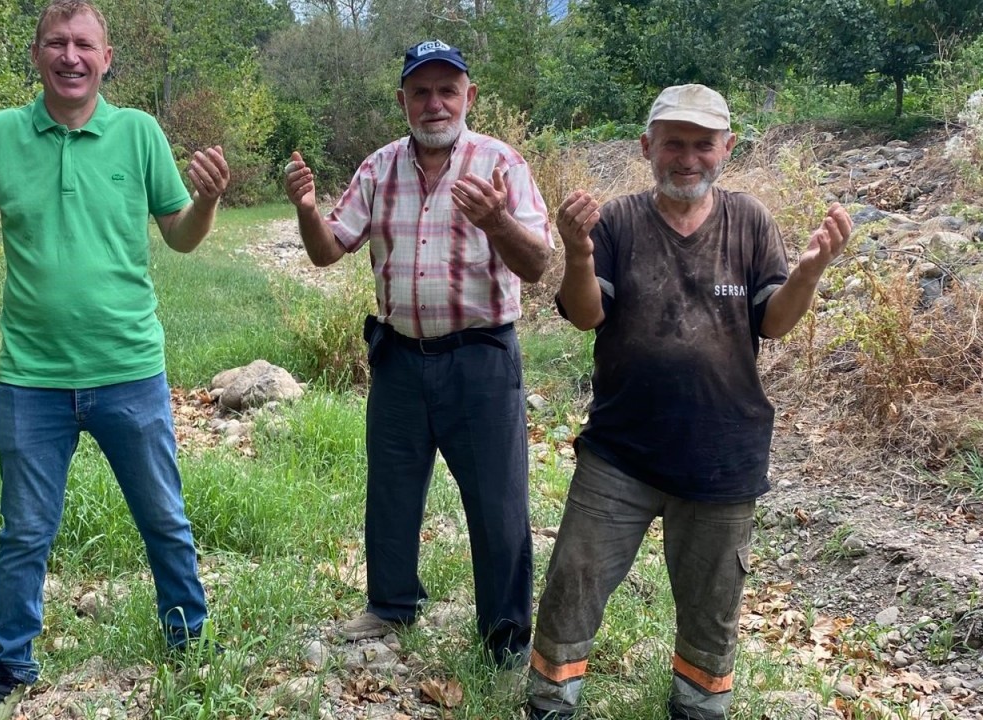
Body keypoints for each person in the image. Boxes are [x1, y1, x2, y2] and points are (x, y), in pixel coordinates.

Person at [0, 2, 230, 718]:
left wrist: (209, 200)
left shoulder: (139, 134)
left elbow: (182, 236)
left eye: (85, 45)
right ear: (35, 54)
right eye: (57, 43)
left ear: (107, 57)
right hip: (31, 379)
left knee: (163, 516)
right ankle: (10, 668)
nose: (71, 56)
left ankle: (190, 642)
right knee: (26, 531)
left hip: (130, 368)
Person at [526, 84, 853, 720]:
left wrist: (810, 270)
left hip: (723, 457)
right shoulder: (617, 221)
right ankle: (549, 705)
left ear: (726, 148)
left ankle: (697, 710)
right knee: (573, 584)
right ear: (647, 146)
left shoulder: (750, 221)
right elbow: (588, 315)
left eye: (704, 144)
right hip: (620, 450)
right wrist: (578, 251)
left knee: (712, 612)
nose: (688, 157)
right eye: (673, 142)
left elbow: (774, 323)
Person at [283, 39, 553, 669]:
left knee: (499, 503)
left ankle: (505, 638)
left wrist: (497, 223)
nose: (435, 103)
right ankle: (391, 603)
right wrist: (303, 209)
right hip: (400, 357)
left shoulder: (501, 164)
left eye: (447, 90)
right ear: (403, 99)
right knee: (393, 488)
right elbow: (328, 250)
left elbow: (537, 263)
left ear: (469, 97)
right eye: (422, 92)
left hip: (482, 357)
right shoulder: (378, 169)